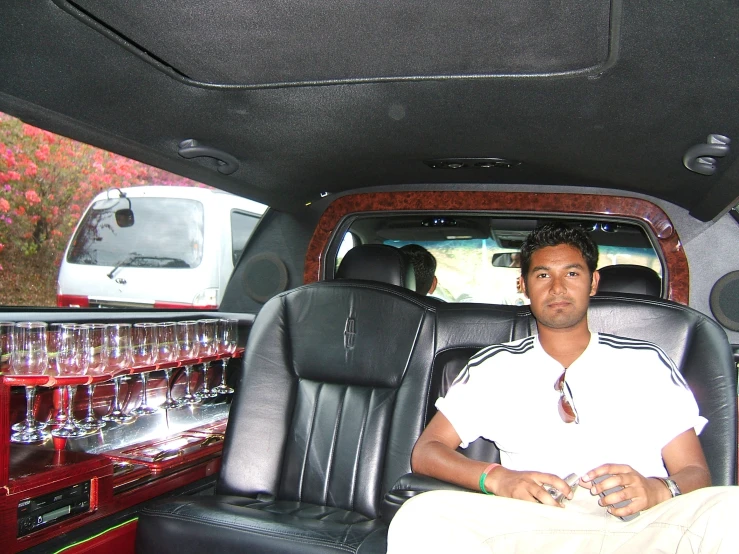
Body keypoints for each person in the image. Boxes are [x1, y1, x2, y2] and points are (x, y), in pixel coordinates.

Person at [387, 222, 739, 554]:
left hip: (643, 527)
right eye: (542, 275)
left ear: (593, 282)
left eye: (571, 273)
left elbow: (696, 473)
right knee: (421, 514)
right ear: (523, 285)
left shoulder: (648, 363)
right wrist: (498, 479)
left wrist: (659, 490)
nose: (557, 288)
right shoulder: (493, 367)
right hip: (536, 525)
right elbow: (428, 451)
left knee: (731, 508)